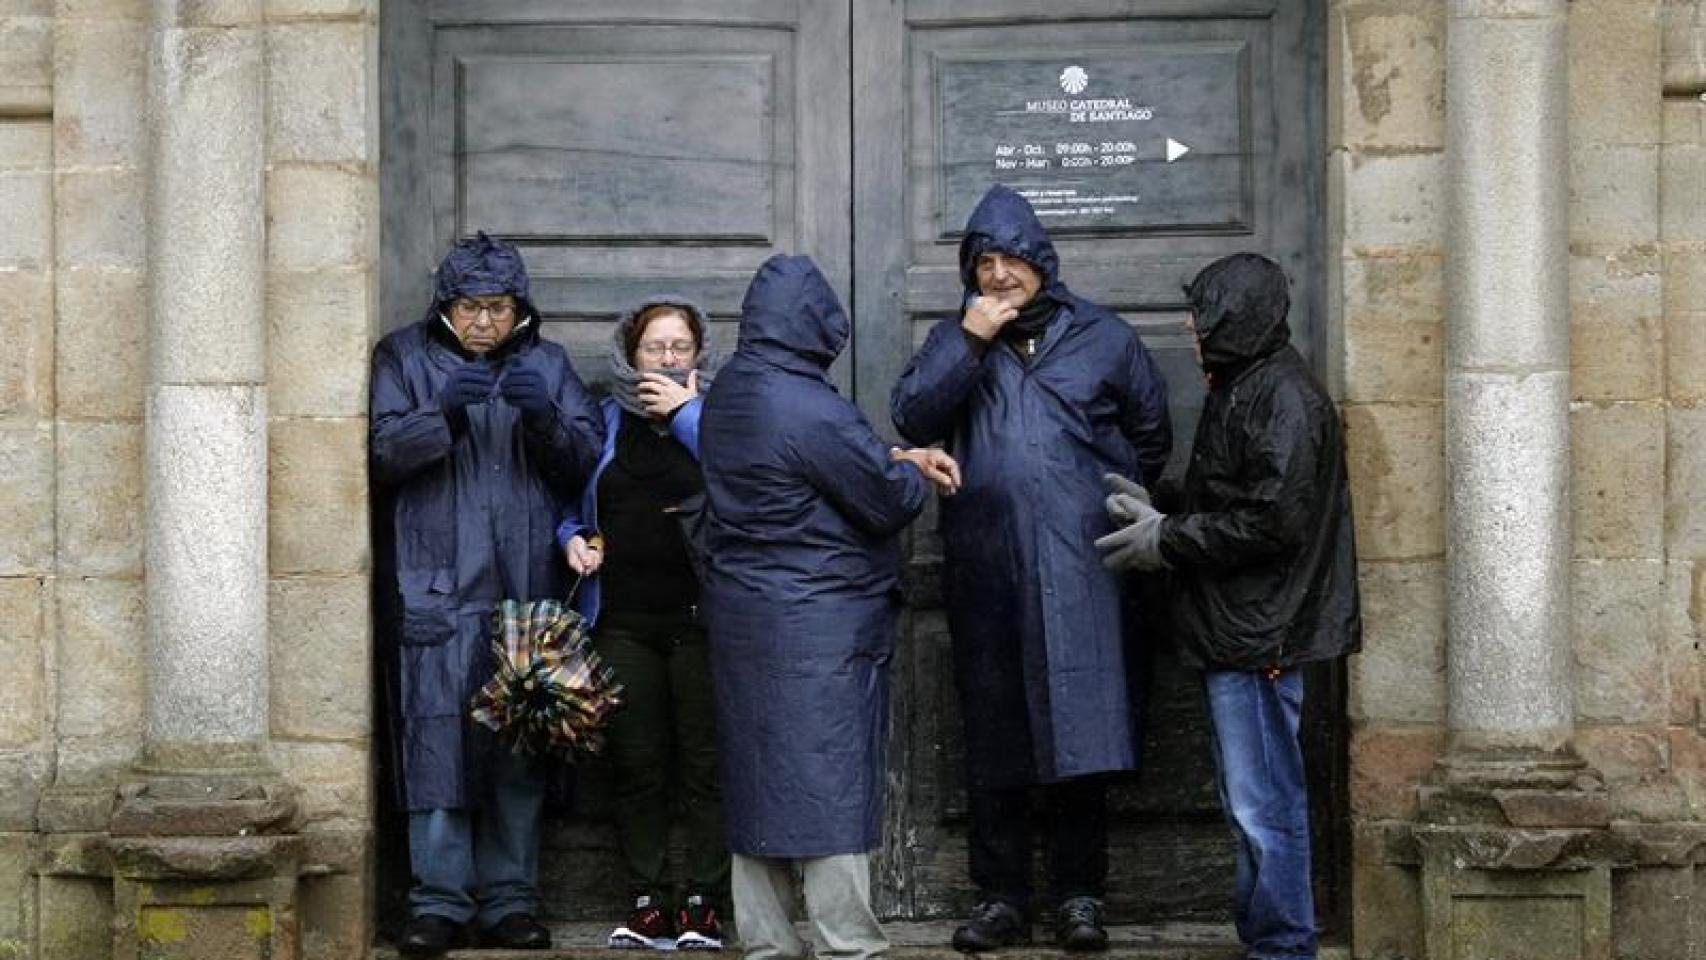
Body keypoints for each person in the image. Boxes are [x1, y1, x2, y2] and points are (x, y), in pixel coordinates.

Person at [890, 184, 1172, 952]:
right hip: (989, 572)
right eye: (985, 262)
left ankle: (1081, 896)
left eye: (1013, 258)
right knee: (996, 736)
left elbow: (1152, 438)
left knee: (1084, 732)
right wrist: (971, 342)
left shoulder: (1105, 339)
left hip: (1089, 573)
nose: (1000, 275)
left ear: (1042, 262)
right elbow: (912, 416)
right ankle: (1001, 897)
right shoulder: (957, 338)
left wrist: (1085, 497)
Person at [1095, 253, 1360, 960]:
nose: (1189, 323)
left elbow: (1275, 521)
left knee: (1265, 803)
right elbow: (1231, 492)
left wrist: (1167, 540)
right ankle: (1268, 936)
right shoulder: (1243, 385)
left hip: (1262, 633)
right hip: (1237, 629)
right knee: (1251, 802)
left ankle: (1283, 946)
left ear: (1236, 314)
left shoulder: (1285, 399)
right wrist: (1166, 504)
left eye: (1202, 310)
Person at [699, 254, 959, 960]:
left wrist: (894, 456)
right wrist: (908, 473)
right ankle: (850, 946)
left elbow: (820, 472)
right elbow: (884, 499)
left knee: (758, 784)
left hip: (745, 617)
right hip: (818, 622)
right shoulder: (808, 404)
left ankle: (767, 945)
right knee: (828, 786)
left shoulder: (728, 394)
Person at [371, 232, 604, 956]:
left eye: (497, 308)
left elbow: (586, 463)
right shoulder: (402, 358)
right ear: (447, 306)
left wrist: (545, 419)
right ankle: (437, 900)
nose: (482, 323)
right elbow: (379, 454)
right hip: (435, 583)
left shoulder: (548, 364)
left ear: (518, 308)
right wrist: (436, 416)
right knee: (434, 739)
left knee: (519, 746)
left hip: (525, 590)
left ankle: (512, 899)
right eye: (470, 307)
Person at [555, 296, 731, 950]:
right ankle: (648, 898)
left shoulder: (718, 418)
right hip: (623, 622)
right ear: (630, 356)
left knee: (704, 765)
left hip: (701, 620)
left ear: (698, 353)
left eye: (679, 347)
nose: (666, 357)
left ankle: (705, 902)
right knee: (637, 764)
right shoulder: (604, 420)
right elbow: (569, 502)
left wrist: (685, 413)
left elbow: (739, 478)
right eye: (654, 347)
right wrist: (571, 537)